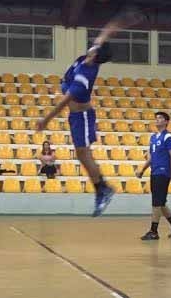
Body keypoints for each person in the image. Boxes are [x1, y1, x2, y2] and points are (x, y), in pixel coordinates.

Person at [36, 20, 122, 217]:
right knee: (82, 153)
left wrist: (46, 120)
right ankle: (102, 187)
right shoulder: (91, 55)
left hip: (82, 116)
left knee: (83, 153)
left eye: (95, 48)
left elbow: (64, 102)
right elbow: (104, 33)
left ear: (96, 56)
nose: (92, 47)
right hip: (76, 116)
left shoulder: (85, 75)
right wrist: (118, 22)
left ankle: (102, 188)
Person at [136, 112, 171, 240]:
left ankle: (153, 231)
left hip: (163, 172)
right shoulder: (153, 138)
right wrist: (142, 170)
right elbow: (151, 158)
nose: (157, 120)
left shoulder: (169, 138)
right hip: (154, 172)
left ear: (166, 122)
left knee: (156, 202)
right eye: (156, 118)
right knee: (160, 202)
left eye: (160, 118)